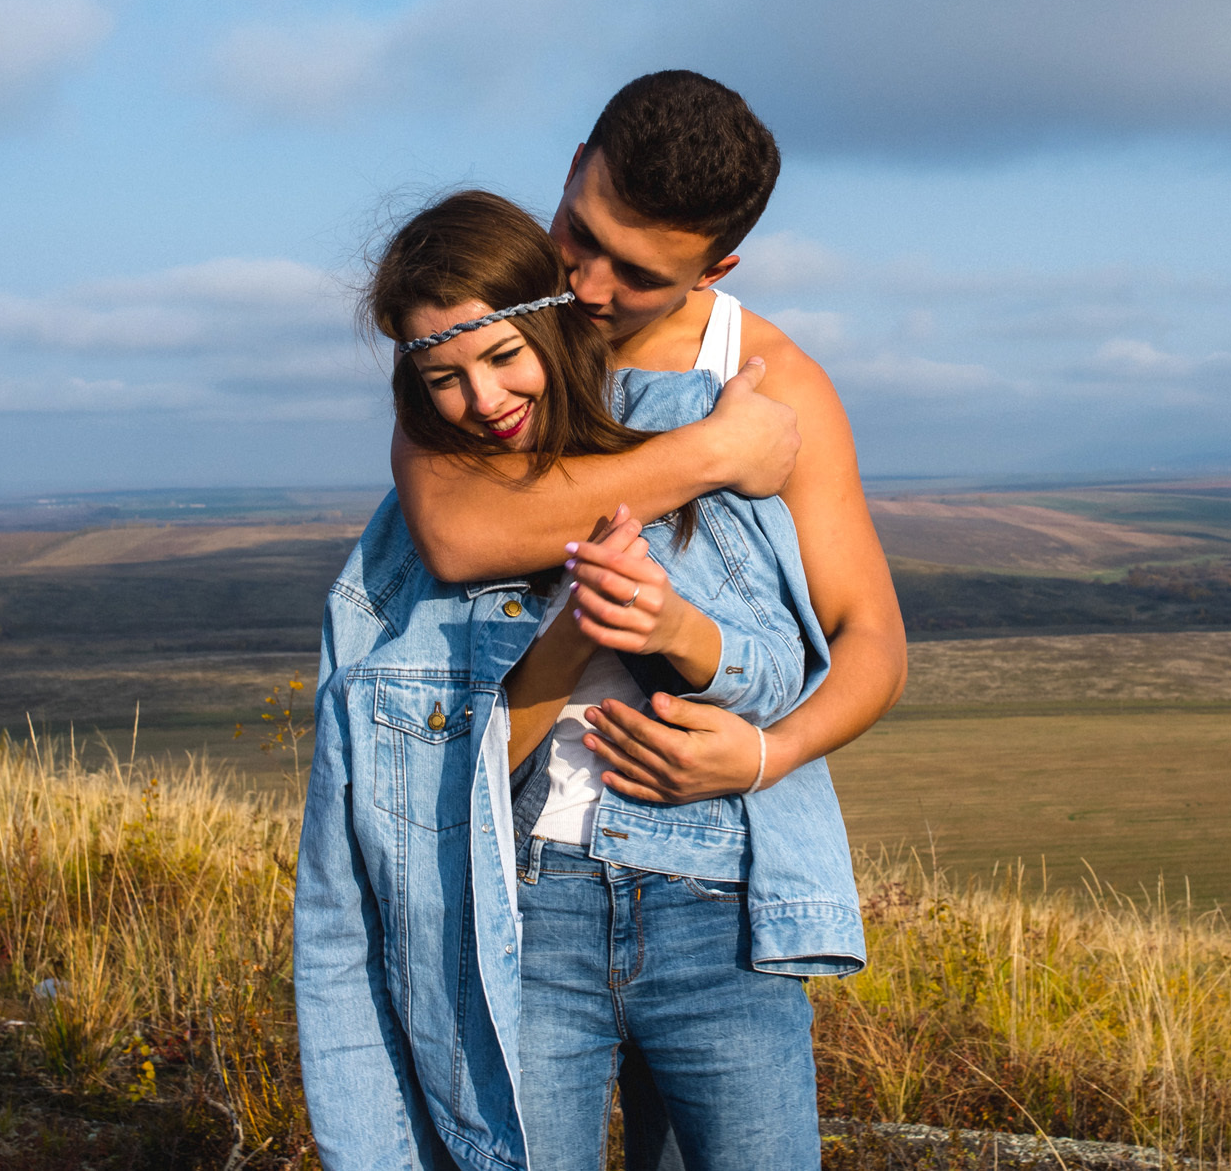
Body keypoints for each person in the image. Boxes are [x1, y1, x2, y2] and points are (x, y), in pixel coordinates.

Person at [389, 72, 908, 1167]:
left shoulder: (771, 380)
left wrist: (767, 752)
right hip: (521, 882)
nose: (586, 282)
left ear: (716, 268)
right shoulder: (489, 329)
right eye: (581, 233)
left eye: (638, 272)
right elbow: (453, 529)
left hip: (714, 893)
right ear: (575, 164)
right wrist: (712, 455)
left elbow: (873, 642)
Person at [295, 191, 863, 1171]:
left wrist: (679, 632)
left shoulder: (689, 434)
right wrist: (569, 626)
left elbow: (782, 667)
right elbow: (454, 780)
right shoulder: (447, 498)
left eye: (501, 358)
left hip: (712, 906)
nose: (480, 400)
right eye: (442, 379)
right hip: (533, 910)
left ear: (552, 324)